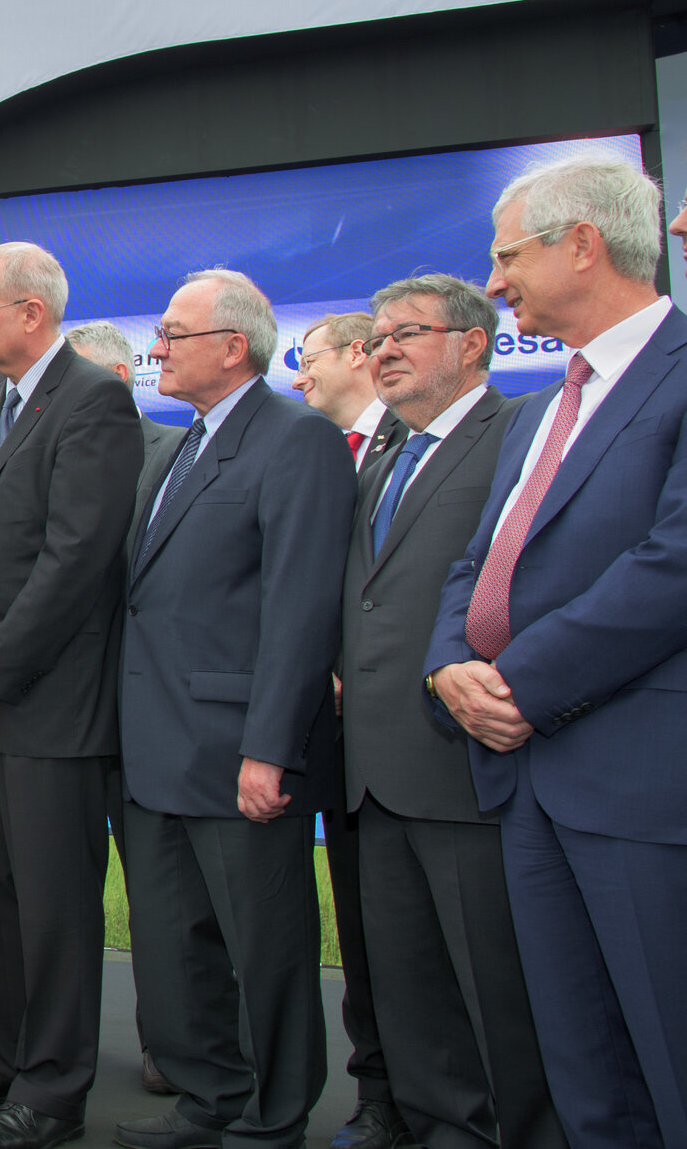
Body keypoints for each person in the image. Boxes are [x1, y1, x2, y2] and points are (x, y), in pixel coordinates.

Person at [426, 156, 687, 1146]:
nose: (495, 283)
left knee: (666, 1060)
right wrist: (450, 664)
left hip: (638, 787)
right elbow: (476, 563)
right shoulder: (540, 410)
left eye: (507, 255)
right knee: (584, 1070)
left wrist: (522, 682)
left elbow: (673, 564)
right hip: (526, 784)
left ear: (584, 244)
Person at [114, 271, 354, 1149]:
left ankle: (271, 1118)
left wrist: (271, 749)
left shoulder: (297, 441)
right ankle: (207, 1101)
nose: (157, 349)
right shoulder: (180, 446)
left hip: (239, 752)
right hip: (155, 752)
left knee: (267, 951)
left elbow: (299, 612)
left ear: (233, 346)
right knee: (179, 953)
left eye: (174, 333)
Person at [0, 244, 141, 1149]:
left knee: (53, 903)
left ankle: (53, 1096)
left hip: (52, 697)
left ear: (31, 314)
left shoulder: (95, 399)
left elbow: (77, 557)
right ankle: (6, 1054)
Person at [341, 276, 563, 1149]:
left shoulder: (519, 436)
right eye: (377, 336)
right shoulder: (381, 453)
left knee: (498, 998)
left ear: (473, 344)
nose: (383, 349)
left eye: (407, 333)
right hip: (373, 775)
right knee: (407, 991)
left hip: (466, 769)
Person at [291, 307, 410, 1149]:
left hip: (418, 733)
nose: (300, 378)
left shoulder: (418, 446)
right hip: (338, 744)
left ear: (358, 356)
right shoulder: (320, 457)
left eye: (311, 359)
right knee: (365, 930)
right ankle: (379, 1094)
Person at [66, 318, 184, 1100]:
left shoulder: (178, 452)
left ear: (118, 375)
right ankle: (51, 1052)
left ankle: (174, 1047)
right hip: (65, 714)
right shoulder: (40, 455)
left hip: (158, 718)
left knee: (167, 899)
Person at [293, 312, 404, 467]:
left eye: (308, 363)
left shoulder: (414, 435)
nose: (296, 383)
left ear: (356, 354)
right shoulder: (314, 453)